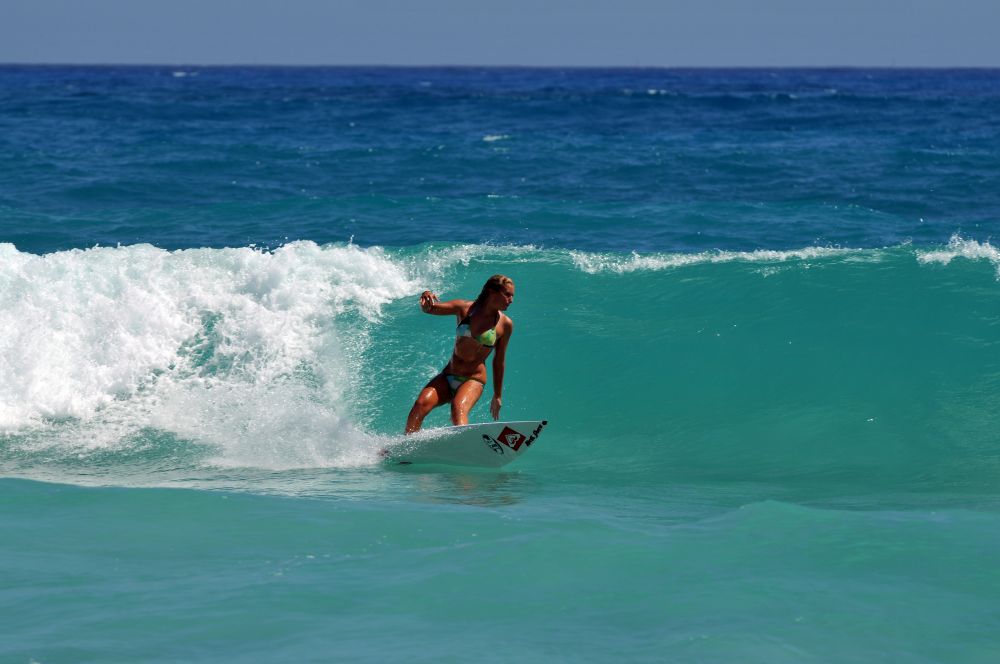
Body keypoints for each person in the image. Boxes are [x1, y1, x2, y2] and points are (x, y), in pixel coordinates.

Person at [405, 274, 515, 433]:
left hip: (473, 379)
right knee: (420, 404)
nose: (511, 300)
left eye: (512, 296)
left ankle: (464, 443)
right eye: (507, 294)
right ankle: (407, 445)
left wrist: (497, 395)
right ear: (492, 292)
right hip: (448, 374)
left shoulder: (505, 324)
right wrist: (426, 294)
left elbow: (499, 361)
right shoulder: (464, 308)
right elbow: (429, 309)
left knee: (458, 409)